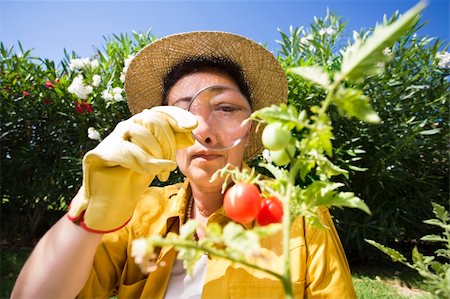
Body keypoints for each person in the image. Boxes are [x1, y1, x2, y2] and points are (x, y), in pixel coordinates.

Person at [11, 31, 356, 298]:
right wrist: (88, 219)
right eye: (183, 113)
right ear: (163, 132)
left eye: (226, 108)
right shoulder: (137, 213)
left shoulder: (301, 215)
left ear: (250, 128)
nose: (204, 132)